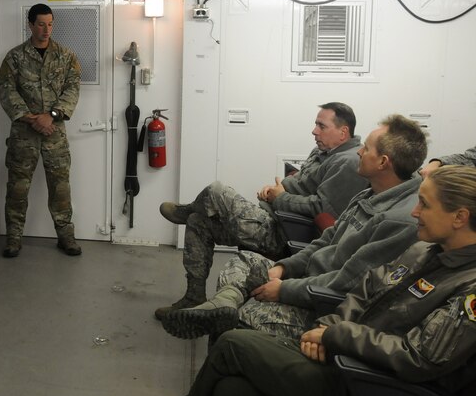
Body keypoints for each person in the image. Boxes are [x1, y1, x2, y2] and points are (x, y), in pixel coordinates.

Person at [121, 165, 476, 396]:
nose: (415, 212)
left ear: (460, 217)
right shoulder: (424, 251)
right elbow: (365, 291)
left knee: (233, 342)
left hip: (382, 394)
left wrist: (336, 335)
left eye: (425, 204)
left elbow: (418, 358)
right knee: (234, 393)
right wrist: (327, 328)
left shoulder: (469, 287)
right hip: (346, 359)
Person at [161, 115, 428, 341]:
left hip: (320, 298)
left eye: (367, 149)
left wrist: (285, 289)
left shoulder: (398, 219)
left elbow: (348, 281)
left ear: (383, 162)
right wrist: (285, 267)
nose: (360, 151)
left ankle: (223, 324)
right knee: (243, 260)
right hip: (303, 272)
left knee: (217, 192)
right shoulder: (368, 195)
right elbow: (326, 240)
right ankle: (218, 305)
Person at [155, 103, 367, 318]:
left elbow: (321, 208)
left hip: (283, 232)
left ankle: (186, 209)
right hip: (272, 217)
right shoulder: (323, 151)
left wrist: (280, 198)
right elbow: (300, 183)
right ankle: (194, 296)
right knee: (197, 221)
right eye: (316, 125)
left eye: (322, 126)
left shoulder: (348, 162)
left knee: (217, 191)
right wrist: (274, 189)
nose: (314, 131)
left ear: (343, 132)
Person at [0, 3, 81, 258]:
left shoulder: (65, 56)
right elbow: (7, 91)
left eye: (50, 24)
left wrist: (51, 116)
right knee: (17, 189)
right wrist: (31, 118)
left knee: (60, 189)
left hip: (54, 134)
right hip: (24, 135)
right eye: (41, 24)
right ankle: (13, 239)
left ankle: (66, 237)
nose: (47, 30)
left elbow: (73, 88)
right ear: (31, 24)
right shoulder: (14, 57)